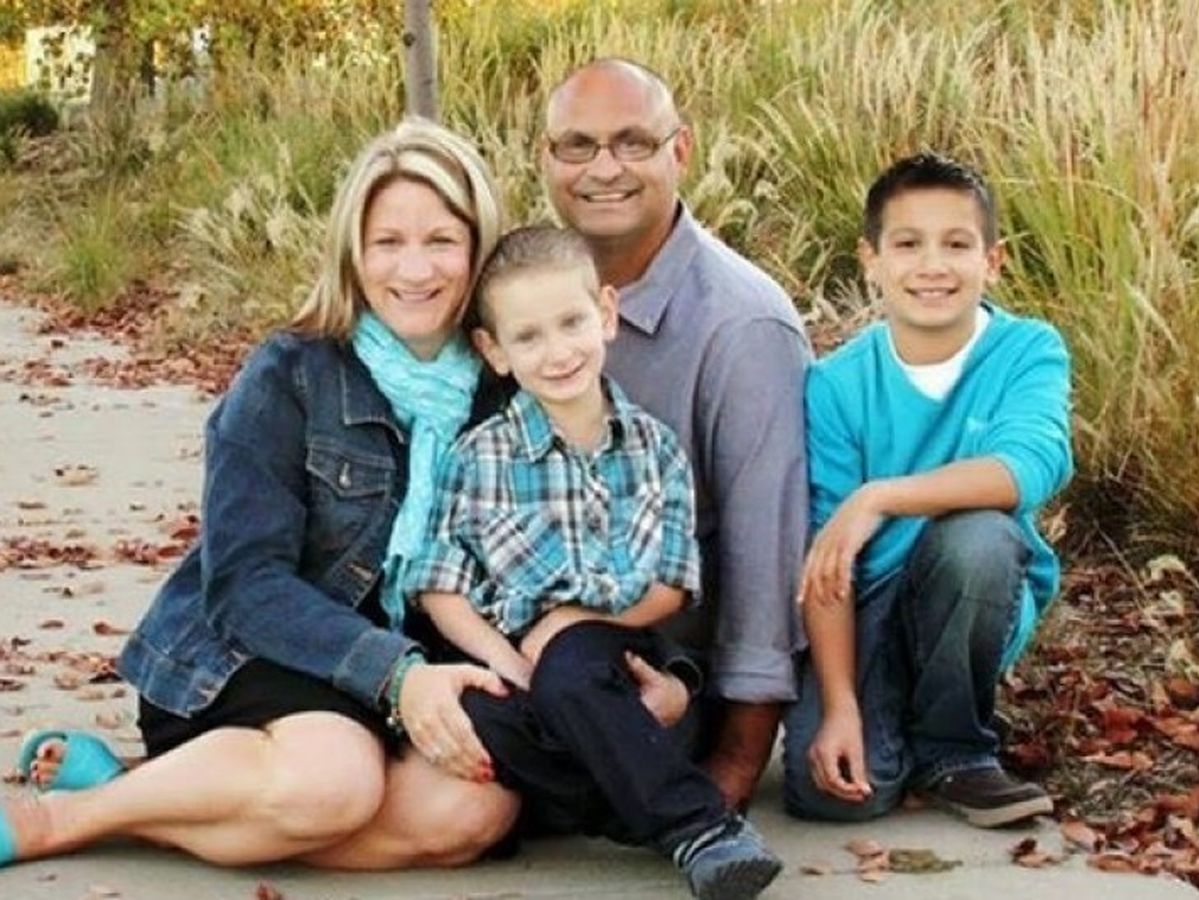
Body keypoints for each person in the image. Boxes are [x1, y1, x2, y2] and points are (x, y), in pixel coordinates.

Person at [1, 118, 526, 869]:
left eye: (441, 240)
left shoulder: (507, 389)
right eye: (387, 241)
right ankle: (62, 819)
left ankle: (143, 795)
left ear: (478, 248)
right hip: (245, 655)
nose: (415, 269)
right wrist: (396, 675)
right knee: (334, 783)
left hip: (391, 680)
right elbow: (245, 585)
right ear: (353, 252)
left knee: (473, 810)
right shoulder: (291, 372)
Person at [404, 225, 783, 900]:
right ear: (494, 351)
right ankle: (667, 812)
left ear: (606, 314)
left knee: (585, 671)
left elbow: (671, 586)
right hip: (515, 661)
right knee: (479, 718)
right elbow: (441, 588)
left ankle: (693, 826)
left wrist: (572, 623)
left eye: (571, 323)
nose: (557, 352)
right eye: (528, 337)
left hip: (623, 655)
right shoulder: (478, 456)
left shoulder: (654, 448)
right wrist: (514, 666)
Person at [540, 58, 810, 811]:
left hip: (662, 677)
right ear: (546, 157)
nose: (604, 170)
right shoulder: (526, 290)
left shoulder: (742, 326)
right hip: (532, 640)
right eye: (577, 145)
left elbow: (767, 554)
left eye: (633, 143)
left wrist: (735, 765)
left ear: (680, 150)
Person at [782, 152, 1073, 828]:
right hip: (871, 609)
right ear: (871, 260)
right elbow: (828, 560)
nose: (932, 266)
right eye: (908, 244)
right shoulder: (836, 384)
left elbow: (1028, 468)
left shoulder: (1027, 351)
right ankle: (891, 724)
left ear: (992, 261)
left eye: (957, 244)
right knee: (830, 795)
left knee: (978, 535)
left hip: (968, 592)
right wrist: (840, 705)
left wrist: (878, 497)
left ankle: (955, 751)